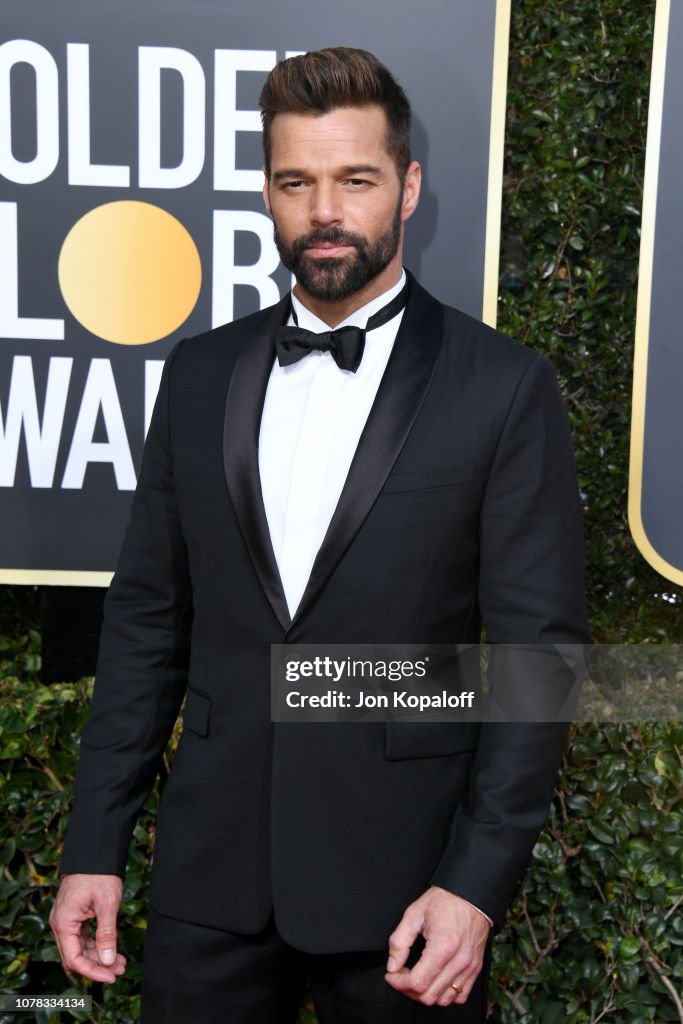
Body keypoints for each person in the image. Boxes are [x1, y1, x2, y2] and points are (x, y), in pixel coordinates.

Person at [50, 47, 589, 1022]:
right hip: (208, 888)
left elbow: (534, 660)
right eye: (297, 181)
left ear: (408, 187)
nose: (324, 209)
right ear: (267, 190)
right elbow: (144, 624)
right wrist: (95, 843)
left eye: (356, 179)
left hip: (407, 892)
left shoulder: (502, 389)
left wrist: (472, 886)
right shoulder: (199, 374)